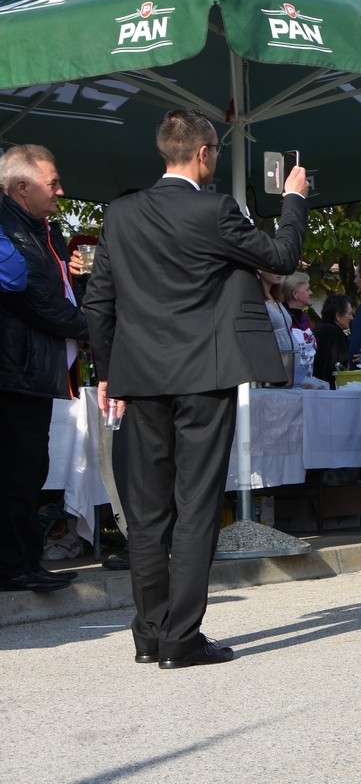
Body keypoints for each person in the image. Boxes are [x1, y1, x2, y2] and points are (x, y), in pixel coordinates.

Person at [83, 110, 307, 666]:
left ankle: (149, 634)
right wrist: (295, 199)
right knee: (197, 504)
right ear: (204, 153)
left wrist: (107, 370)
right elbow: (280, 259)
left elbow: (98, 301)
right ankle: (181, 639)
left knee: (148, 510)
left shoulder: (120, 213)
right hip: (204, 375)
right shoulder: (215, 210)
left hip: (139, 376)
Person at [0, 144, 87, 593]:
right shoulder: (9, 230)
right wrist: (98, 326)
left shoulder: (40, 230)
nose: (60, 191)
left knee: (31, 468)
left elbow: (56, 294)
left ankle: (23, 562)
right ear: (21, 188)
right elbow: (39, 304)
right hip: (15, 371)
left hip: (32, 370)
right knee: (19, 469)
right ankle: (15, 566)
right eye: (52, 183)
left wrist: (77, 278)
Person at [257, 270, 294, 385]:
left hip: (289, 365)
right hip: (272, 368)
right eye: (272, 267)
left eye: (280, 267)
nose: (278, 271)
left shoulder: (277, 299)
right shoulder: (256, 299)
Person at [281, 271, 317, 387]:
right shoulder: (282, 319)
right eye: (307, 289)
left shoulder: (306, 319)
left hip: (306, 383)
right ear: (295, 294)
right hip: (287, 385)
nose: (311, 293)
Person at [312, 293, 353, 385]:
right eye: (349, 314)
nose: (351, 318)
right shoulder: (336, 334)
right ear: (338, 315)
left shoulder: (317, 329)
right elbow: (337, 369)